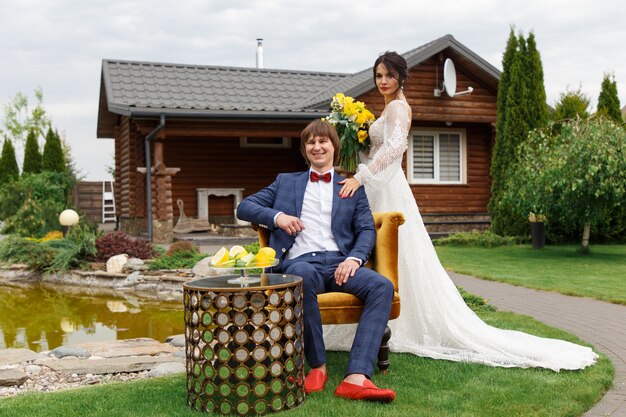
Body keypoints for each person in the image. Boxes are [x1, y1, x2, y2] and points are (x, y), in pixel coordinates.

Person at [328, 51, 598, 371]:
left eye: (388, 75)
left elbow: (394, 147)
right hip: (377, 184)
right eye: (378, 76)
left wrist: (362, 176)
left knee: (394, 252)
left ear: (401, 76)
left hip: (387, 187)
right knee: (374, 249)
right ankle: (374, 315)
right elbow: (377, 148)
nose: (383, 81)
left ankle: (398, 322)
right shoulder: (388, 107)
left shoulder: (400, 107)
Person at [236, 119, 397, 402]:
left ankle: (356, 377)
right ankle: (317, 367)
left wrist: (355, 259)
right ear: (304, 149)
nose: (317, 146)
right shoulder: (286, 182)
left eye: (323, 141)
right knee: (301, 276)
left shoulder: (351, 186)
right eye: (311, 142)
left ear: (334, 146)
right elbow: (245, 206)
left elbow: (367, 230)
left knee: (381, 287)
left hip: (340, 263)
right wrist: (278, 217)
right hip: (301, 263)